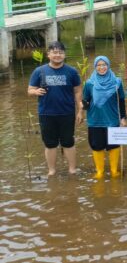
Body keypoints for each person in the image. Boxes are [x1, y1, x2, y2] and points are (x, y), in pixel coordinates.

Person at [27, 41, 82, 176]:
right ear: (48, 54)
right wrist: (36, 92)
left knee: (68, 142)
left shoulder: (72, 71)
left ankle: (72, 169)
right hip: (46, 113)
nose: (58, 55)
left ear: (64, 55)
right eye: (55, 52)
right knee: (50, 143)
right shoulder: (39, 71)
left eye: (61, 52)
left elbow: (77, 91)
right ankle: (51, 170)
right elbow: (29, 90)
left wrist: (80, 111)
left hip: (67, 112)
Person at [83, 56, 127, 179]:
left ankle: (114, 171)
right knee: (97, 146)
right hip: (95, 120)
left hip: (112, 119)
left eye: (104, 65)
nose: (102, 67)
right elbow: (85, 101)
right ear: (95, 67)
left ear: (108, 66)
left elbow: (121, 101)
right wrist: (83, 105)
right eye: (99, 65)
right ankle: (100, 171)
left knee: (114, 145)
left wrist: (123, 118)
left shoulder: (117, 82)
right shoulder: (89, 83)